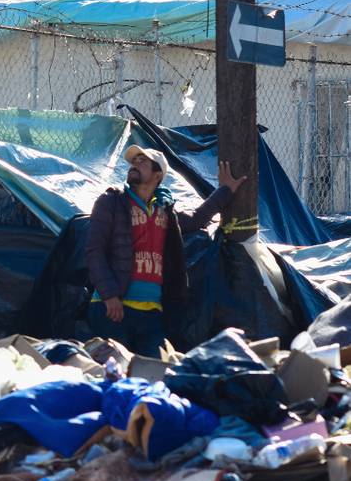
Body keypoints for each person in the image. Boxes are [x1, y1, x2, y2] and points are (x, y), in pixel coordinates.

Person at [85, 145, 247, 358]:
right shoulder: (111, 202)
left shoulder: (165, 209)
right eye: (134, 161)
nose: (135, 165)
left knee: (156, 373)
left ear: (157, 175)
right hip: (113, 309)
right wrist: (109, 295)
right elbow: (94, 250)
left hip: (151, 313)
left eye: (143, 161)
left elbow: (196, 219)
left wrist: (225, 190)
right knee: (115, 375)